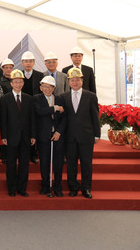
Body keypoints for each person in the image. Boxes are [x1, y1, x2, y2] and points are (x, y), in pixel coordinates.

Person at [61, 68, 100, 199]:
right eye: (72, 80)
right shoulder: (63, 97)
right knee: (71, 164)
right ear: (69, 82)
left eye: (78, 80)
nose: (75, 82)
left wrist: (97, 134)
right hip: (70, 137)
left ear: (82, 81)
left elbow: (95, 116)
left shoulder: (91, 96)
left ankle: (86, 188)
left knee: (86, 164)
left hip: (86, 136)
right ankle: (73, 188)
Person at [0, 69, 36, 197]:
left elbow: (32, 119)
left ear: (23, 83)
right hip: (10, 137)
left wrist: (33, 135)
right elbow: (3, 119)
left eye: (20, 82)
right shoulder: (5, 99)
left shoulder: (29, 99)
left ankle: (22, 188)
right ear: (11, 83)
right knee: (10, 164)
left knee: (24, 164)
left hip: (26, 137)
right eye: (15, 82)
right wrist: (3, 136)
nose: (18, 84)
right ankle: (11, 188)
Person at [34, 75, 66, 197]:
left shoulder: (60, 99)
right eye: (45, 86)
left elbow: (64, 118)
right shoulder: (36, 99)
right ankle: (45, 186)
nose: (47, 89)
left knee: (58, 163)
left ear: (54, 88)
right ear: (41, 88)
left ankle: (57, 187)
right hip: (43, 136)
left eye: (50, 87)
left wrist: (58, 132)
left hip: (57, 136)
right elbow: (39, 112)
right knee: (44, 162)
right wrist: (55, 108)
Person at [21, 51, 42, 164]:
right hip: (22, 108)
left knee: (34, 131)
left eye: (30, 61)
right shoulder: (18, 74)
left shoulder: (39, 75)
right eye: (25, 61)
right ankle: (23, 153)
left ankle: (34, 154)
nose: (28, 63)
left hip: (35, 107)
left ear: (34, 62)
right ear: (22, 63)